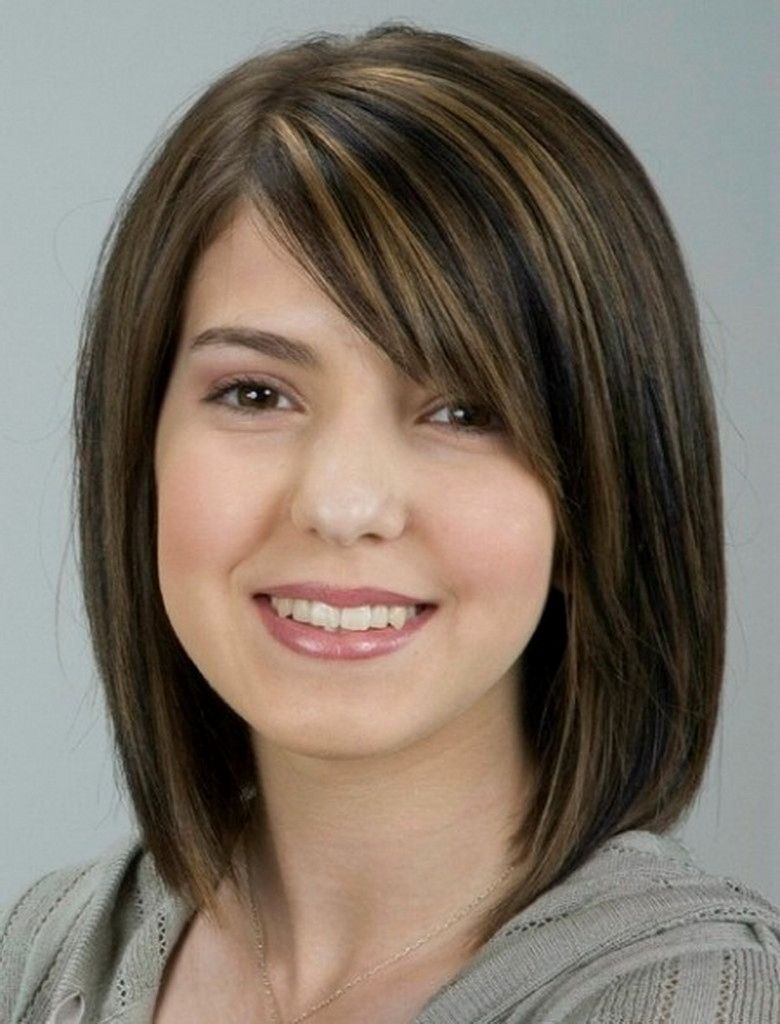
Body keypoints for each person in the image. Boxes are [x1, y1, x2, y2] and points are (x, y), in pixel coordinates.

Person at [2, 22, 779, 1024]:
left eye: (464, 411)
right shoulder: (41, 956)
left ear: (601, 491)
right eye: (255, 393)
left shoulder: (700, 1003)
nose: (342, 505)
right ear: (137, 449)